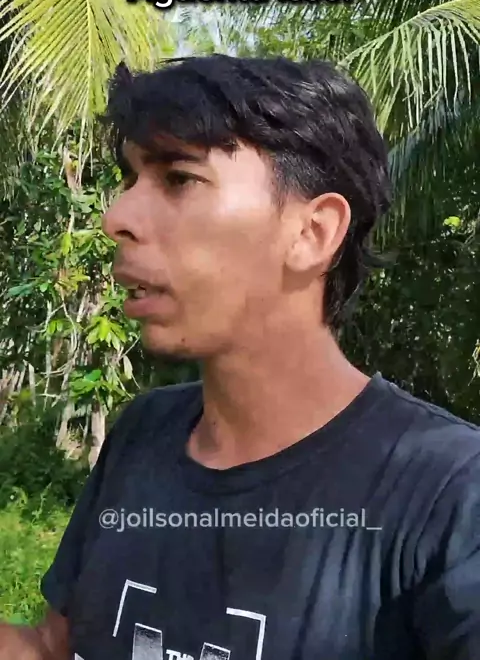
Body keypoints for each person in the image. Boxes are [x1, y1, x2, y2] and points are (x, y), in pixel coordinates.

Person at [1, 55, 479, 660]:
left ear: (311, 232)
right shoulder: (144, 433)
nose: (115, 217)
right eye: (129, 180)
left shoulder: (451, 492)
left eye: (179, 179)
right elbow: (55, 648)